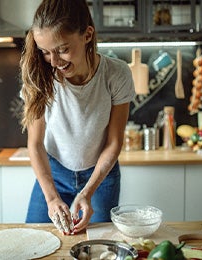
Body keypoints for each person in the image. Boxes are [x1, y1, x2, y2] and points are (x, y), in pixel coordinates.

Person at [20, 0, 135, 235]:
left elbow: (114, 142)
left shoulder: (117, 74)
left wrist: (88, 192)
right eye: (45, 52)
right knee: (35, 237)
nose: (54, 61)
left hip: (101, 176)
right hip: (54, 172)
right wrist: (52, 198)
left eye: (62, 49)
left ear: (87, 35)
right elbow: (35, 143)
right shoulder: (40, 76)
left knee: (99, 244)